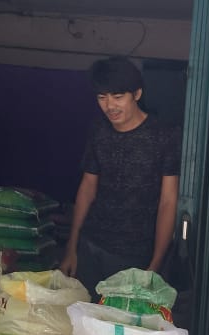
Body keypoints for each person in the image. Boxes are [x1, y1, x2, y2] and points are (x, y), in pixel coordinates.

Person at [60, 57, 180, 296]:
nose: (110, 106)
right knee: (81, 314)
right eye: (102, 98)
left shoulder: (165, 136)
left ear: (137, 94)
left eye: (117, 96)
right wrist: (71, 248)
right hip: (91, 246)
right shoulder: (99, 130)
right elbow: (87, 187)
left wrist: (154, 266)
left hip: (135, 258)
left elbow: (168, 202)